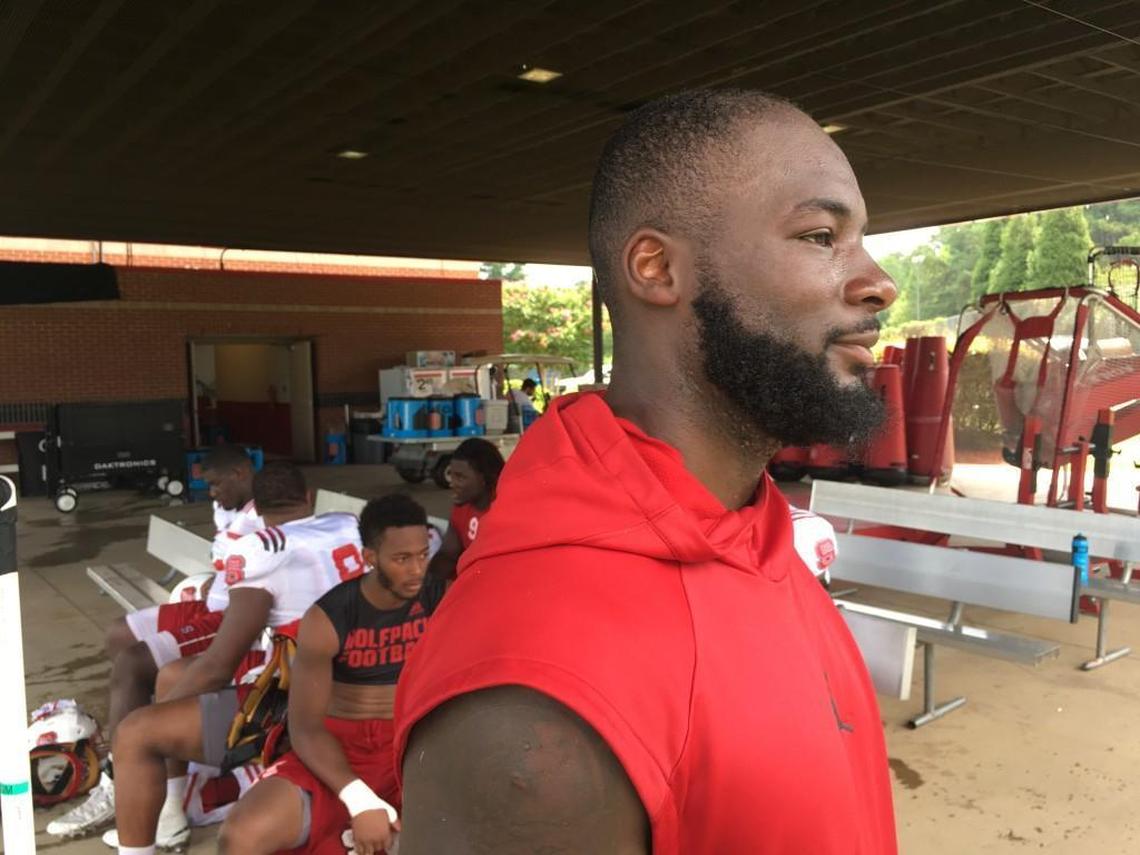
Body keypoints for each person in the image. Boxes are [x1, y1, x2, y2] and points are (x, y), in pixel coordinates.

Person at [393, 89, 899, 854]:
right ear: (658, 268)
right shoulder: (534, 692)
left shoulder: (756, 537)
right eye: (822, 235)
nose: (879, 282)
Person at [107, 462, 364, 855]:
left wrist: (160, 716)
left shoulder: (263, 548)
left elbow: (217, 667)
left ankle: (161, 820)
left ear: (256, 510)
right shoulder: (347, 524)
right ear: (309, 498)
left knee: (136, 734)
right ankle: (173, 810)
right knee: (172, 682)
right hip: (357, 683)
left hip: (292, 705)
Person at [47, 445, 260, 842]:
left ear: (241, 472)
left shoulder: (263, 513)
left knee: (134, 662)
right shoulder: (232, 505)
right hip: (208, 603)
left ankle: (122, 777)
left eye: (215, 484)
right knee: (119, 633)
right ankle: (137, 768)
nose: (210, 492)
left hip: (232, 617)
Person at [218, 494, 448, 854]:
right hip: (338, 750)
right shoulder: (329, 616)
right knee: (242, 835)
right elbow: (305, 727)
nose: (417, 570)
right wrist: (358, 799)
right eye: (402, 559)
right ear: (369, 558)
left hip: (414, 748)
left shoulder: (441, 598)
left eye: (422, 555)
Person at [427, 438, 504, 580]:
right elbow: (448, 555)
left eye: (460, 477)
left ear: (485, 478)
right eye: (452, 475)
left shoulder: (506, 511)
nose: (452, 483)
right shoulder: (462, 508)